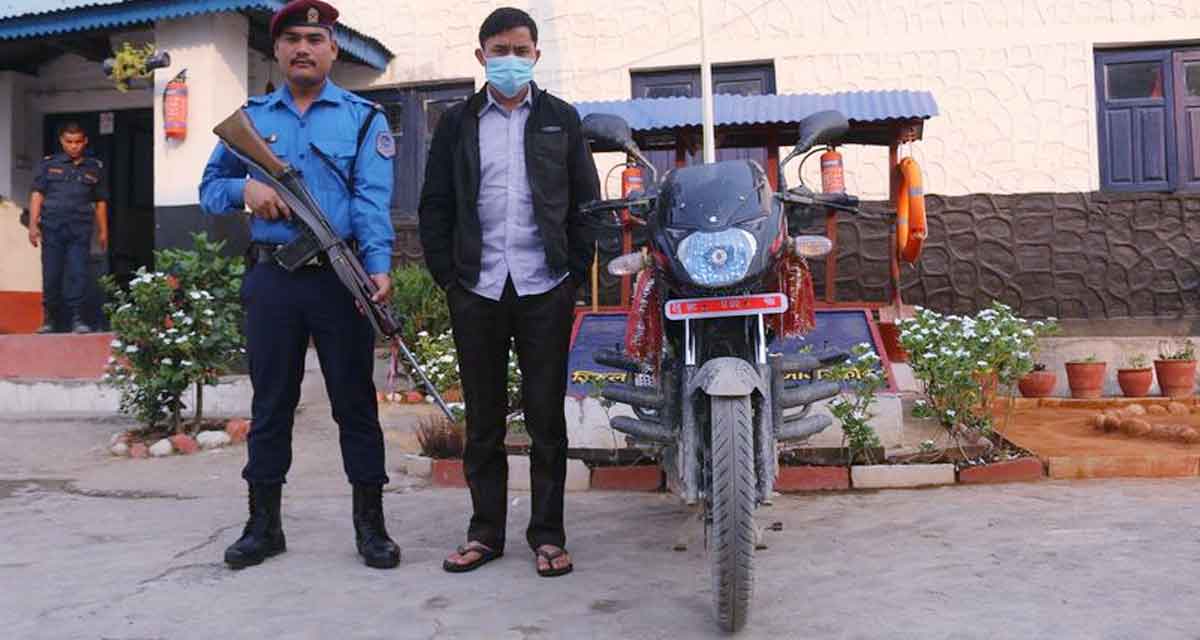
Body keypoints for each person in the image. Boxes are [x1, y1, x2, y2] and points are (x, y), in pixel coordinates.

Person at [199, 0, 400, 571]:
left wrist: (378, 266)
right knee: (271, 404)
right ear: (278, 50)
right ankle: (263, 526)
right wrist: (245, 190)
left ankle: (371, 526)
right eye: (292, 39)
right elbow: (209, 188)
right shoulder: (251, 118)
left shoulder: (363, 118)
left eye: (315, 39)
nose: (303, 48)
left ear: (333, 49)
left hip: (340, 278)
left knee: (355, 404)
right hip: (273, 279)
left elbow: (371, 201)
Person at [419, 6, 600, 578]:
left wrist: (573, 273)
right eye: (500, 51)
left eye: (521, 51)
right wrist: (449, 278)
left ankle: (547, 535)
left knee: (546, 419)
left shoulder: (561, 119)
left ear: (536, 56)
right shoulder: (456, 123)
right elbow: (435, 205)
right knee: (484, 419)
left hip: (544, 286)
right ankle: (485, 533)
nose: (511, 60)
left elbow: (586, 204)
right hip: (477, 287)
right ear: (481, 57)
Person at [27, 122, 108, 334]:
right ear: (62, 141)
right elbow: (37, 194)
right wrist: (33, 224)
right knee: (51, 274)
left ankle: (77, 319)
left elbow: (100, 201)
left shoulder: (94, 167)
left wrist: (103, 231)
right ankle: (49, 320)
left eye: (78, 141)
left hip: (80, 229)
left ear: (85, 141)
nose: (74, 146)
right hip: (52, 227)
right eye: (69, 142)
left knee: (78, 273)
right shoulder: (49, 164)